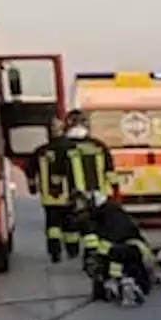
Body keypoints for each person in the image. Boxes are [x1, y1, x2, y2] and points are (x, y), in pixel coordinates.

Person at [68, 190, 157, 307]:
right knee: (111, 256)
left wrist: (96, 263)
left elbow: (109, 243)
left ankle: (128, 284)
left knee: (114, 256)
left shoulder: (110, 215)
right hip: (128, 250)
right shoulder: (104, 213)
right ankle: (118, 283)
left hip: (135, 251)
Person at [62, 109, 117, 260]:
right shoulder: (99, 145)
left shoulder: (63, 146)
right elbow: (110, 170)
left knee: (75, 223)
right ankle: (93, 253)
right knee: (94, 224)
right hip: (98, 193)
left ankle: (74, 251)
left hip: (75, 194)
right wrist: (115, 190)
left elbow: (56, 173)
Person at [25, 116, 72, 263]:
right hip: (70, 194)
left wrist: (32, 187)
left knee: (53, 225)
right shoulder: (71, 148)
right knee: (70, 224)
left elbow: (30, 171)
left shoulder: (40, 151)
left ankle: (55, 253)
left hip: (49, 196)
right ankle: (73, 250)